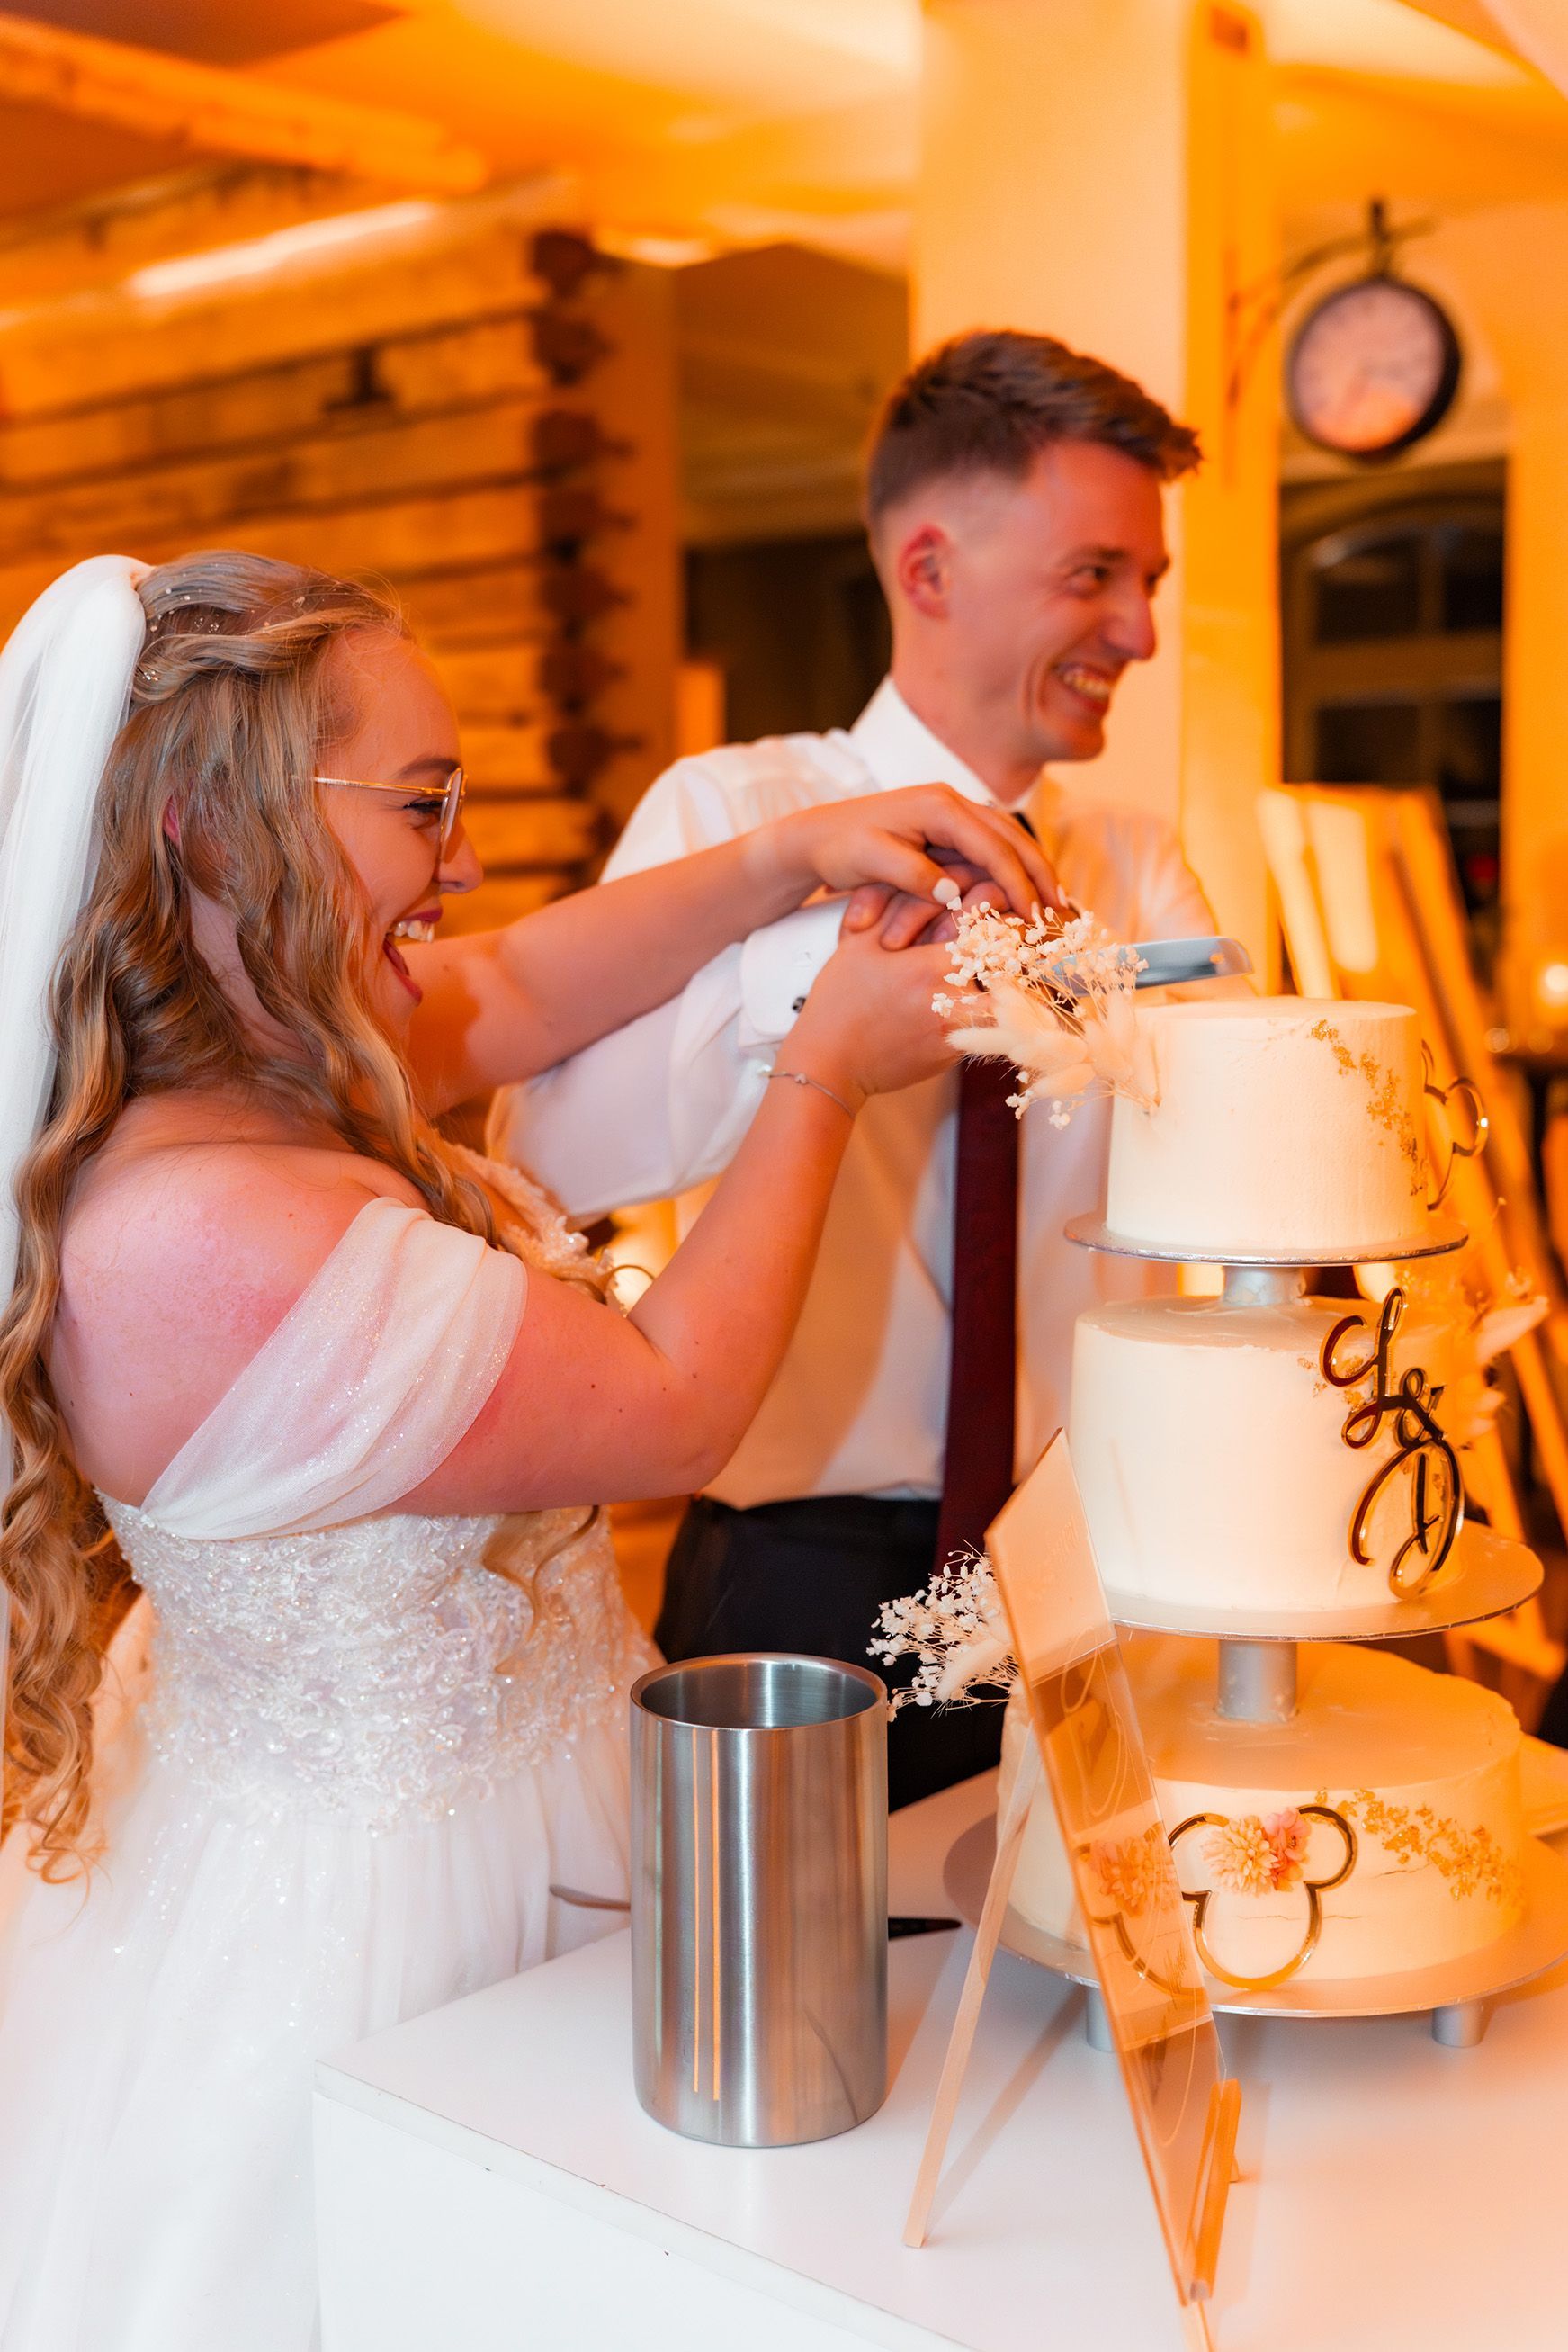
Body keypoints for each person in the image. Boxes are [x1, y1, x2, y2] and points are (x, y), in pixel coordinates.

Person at [0, 548, 1056, 2350]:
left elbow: (514, 982)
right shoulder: (199, 1226)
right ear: (210, 820)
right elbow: (665, 1402)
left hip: (519, 1791)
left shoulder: (266, 1064)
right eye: (421, 806)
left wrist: (780, 855)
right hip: (376, 1923)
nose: (464, 858)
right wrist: (817, 1071)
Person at [495, 330, 1216, 1807]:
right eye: (1097, 575)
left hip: (1093, 1558)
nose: (1140, 630)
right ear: (932, 569)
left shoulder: (1142, 868)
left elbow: (1219, 1173)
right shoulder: (733, 813)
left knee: (1056, 2014)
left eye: (1149, 583)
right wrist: (818, 994)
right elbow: (552, 1157)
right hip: (797, 1575)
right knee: (798, 2027)